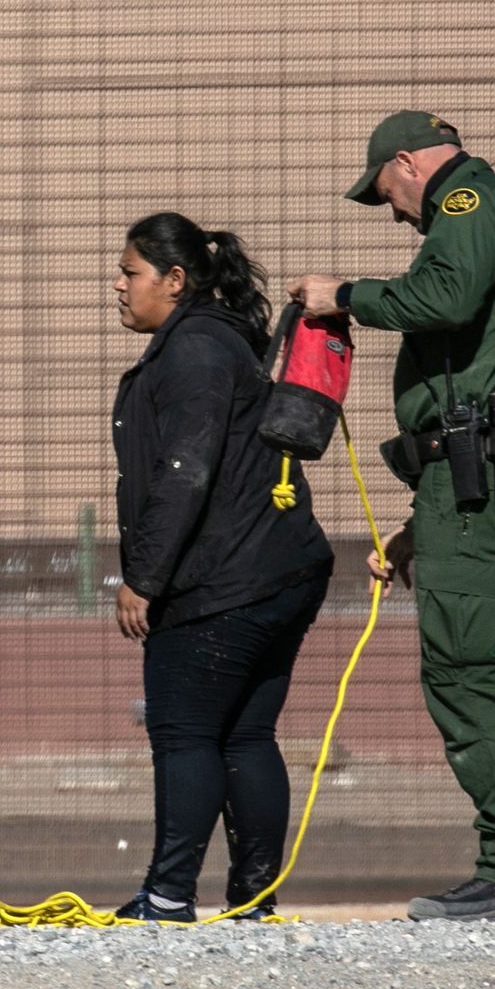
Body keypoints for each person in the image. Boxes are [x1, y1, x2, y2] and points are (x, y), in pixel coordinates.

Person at [288, 110, 495, 922]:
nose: (392, 211)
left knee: (472, 670)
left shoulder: (467, 205)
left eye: (385, 191)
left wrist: (343, 296)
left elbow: (446, 297)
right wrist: (418, 527)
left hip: (484, 481)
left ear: (407, 163)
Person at [109, 212, 335, 923]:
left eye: (130, 272)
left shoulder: (196, 351)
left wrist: (143, 578)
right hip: (277, 571)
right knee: (243, 734)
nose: (117, 286)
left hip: (228, 582)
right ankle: (253, 902)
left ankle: (169, 897)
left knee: (184, 732)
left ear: (174, 281)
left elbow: (186, 471)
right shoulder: (217, 339)